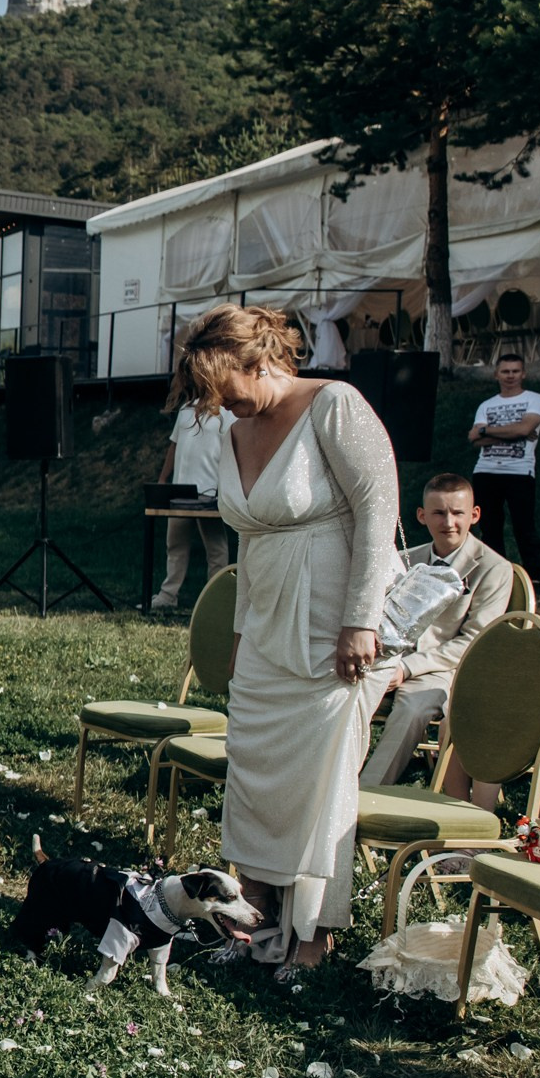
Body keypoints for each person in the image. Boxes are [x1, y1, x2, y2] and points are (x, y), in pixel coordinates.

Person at [178, 304, 400, 977]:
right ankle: (262, 917)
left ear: (263, 363)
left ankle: (314, 935)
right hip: (267, 619)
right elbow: (250, 539)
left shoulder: (334, 405)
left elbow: (378, 511)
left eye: (230, 392)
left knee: (320, 778)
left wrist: (361, 619)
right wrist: (243, 631)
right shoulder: (235, 429)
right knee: (255, 773)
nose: (226, 410)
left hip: (332, 621)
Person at [358, 474, 512, 787]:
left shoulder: (493, 568)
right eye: (439, 513)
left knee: (412, 708)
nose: (449, 522)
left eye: (457, 512)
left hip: (445, 669)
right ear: (422, 515)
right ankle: (323, 781)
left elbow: (473, 641)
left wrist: (406, 669)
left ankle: (366, 794)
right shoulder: (406, 559)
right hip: (391, 659)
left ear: (475, 515)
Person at [469, 352, 540, 587]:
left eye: (515, 371)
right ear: (496, 374)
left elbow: (524, 430)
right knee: (490, 528)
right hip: (485, 471)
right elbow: (474, 438)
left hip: (519, 472)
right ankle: (496, 576)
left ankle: (535, 577)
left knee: (524, 526)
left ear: (523, 373)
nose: (510, 376)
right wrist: (510, 432)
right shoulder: (487, 405)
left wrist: (488, 431)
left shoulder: (535, 399)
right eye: (505, 371)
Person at [149, 399, 231, 611]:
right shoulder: (186, 408)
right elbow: (174, 445)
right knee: (175, 544)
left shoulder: (226, 411)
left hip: (209, 491)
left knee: (216, 547)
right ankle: (168, 595)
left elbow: (232, 450)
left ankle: (215, 596)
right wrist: (163, 478)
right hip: (180, 490)